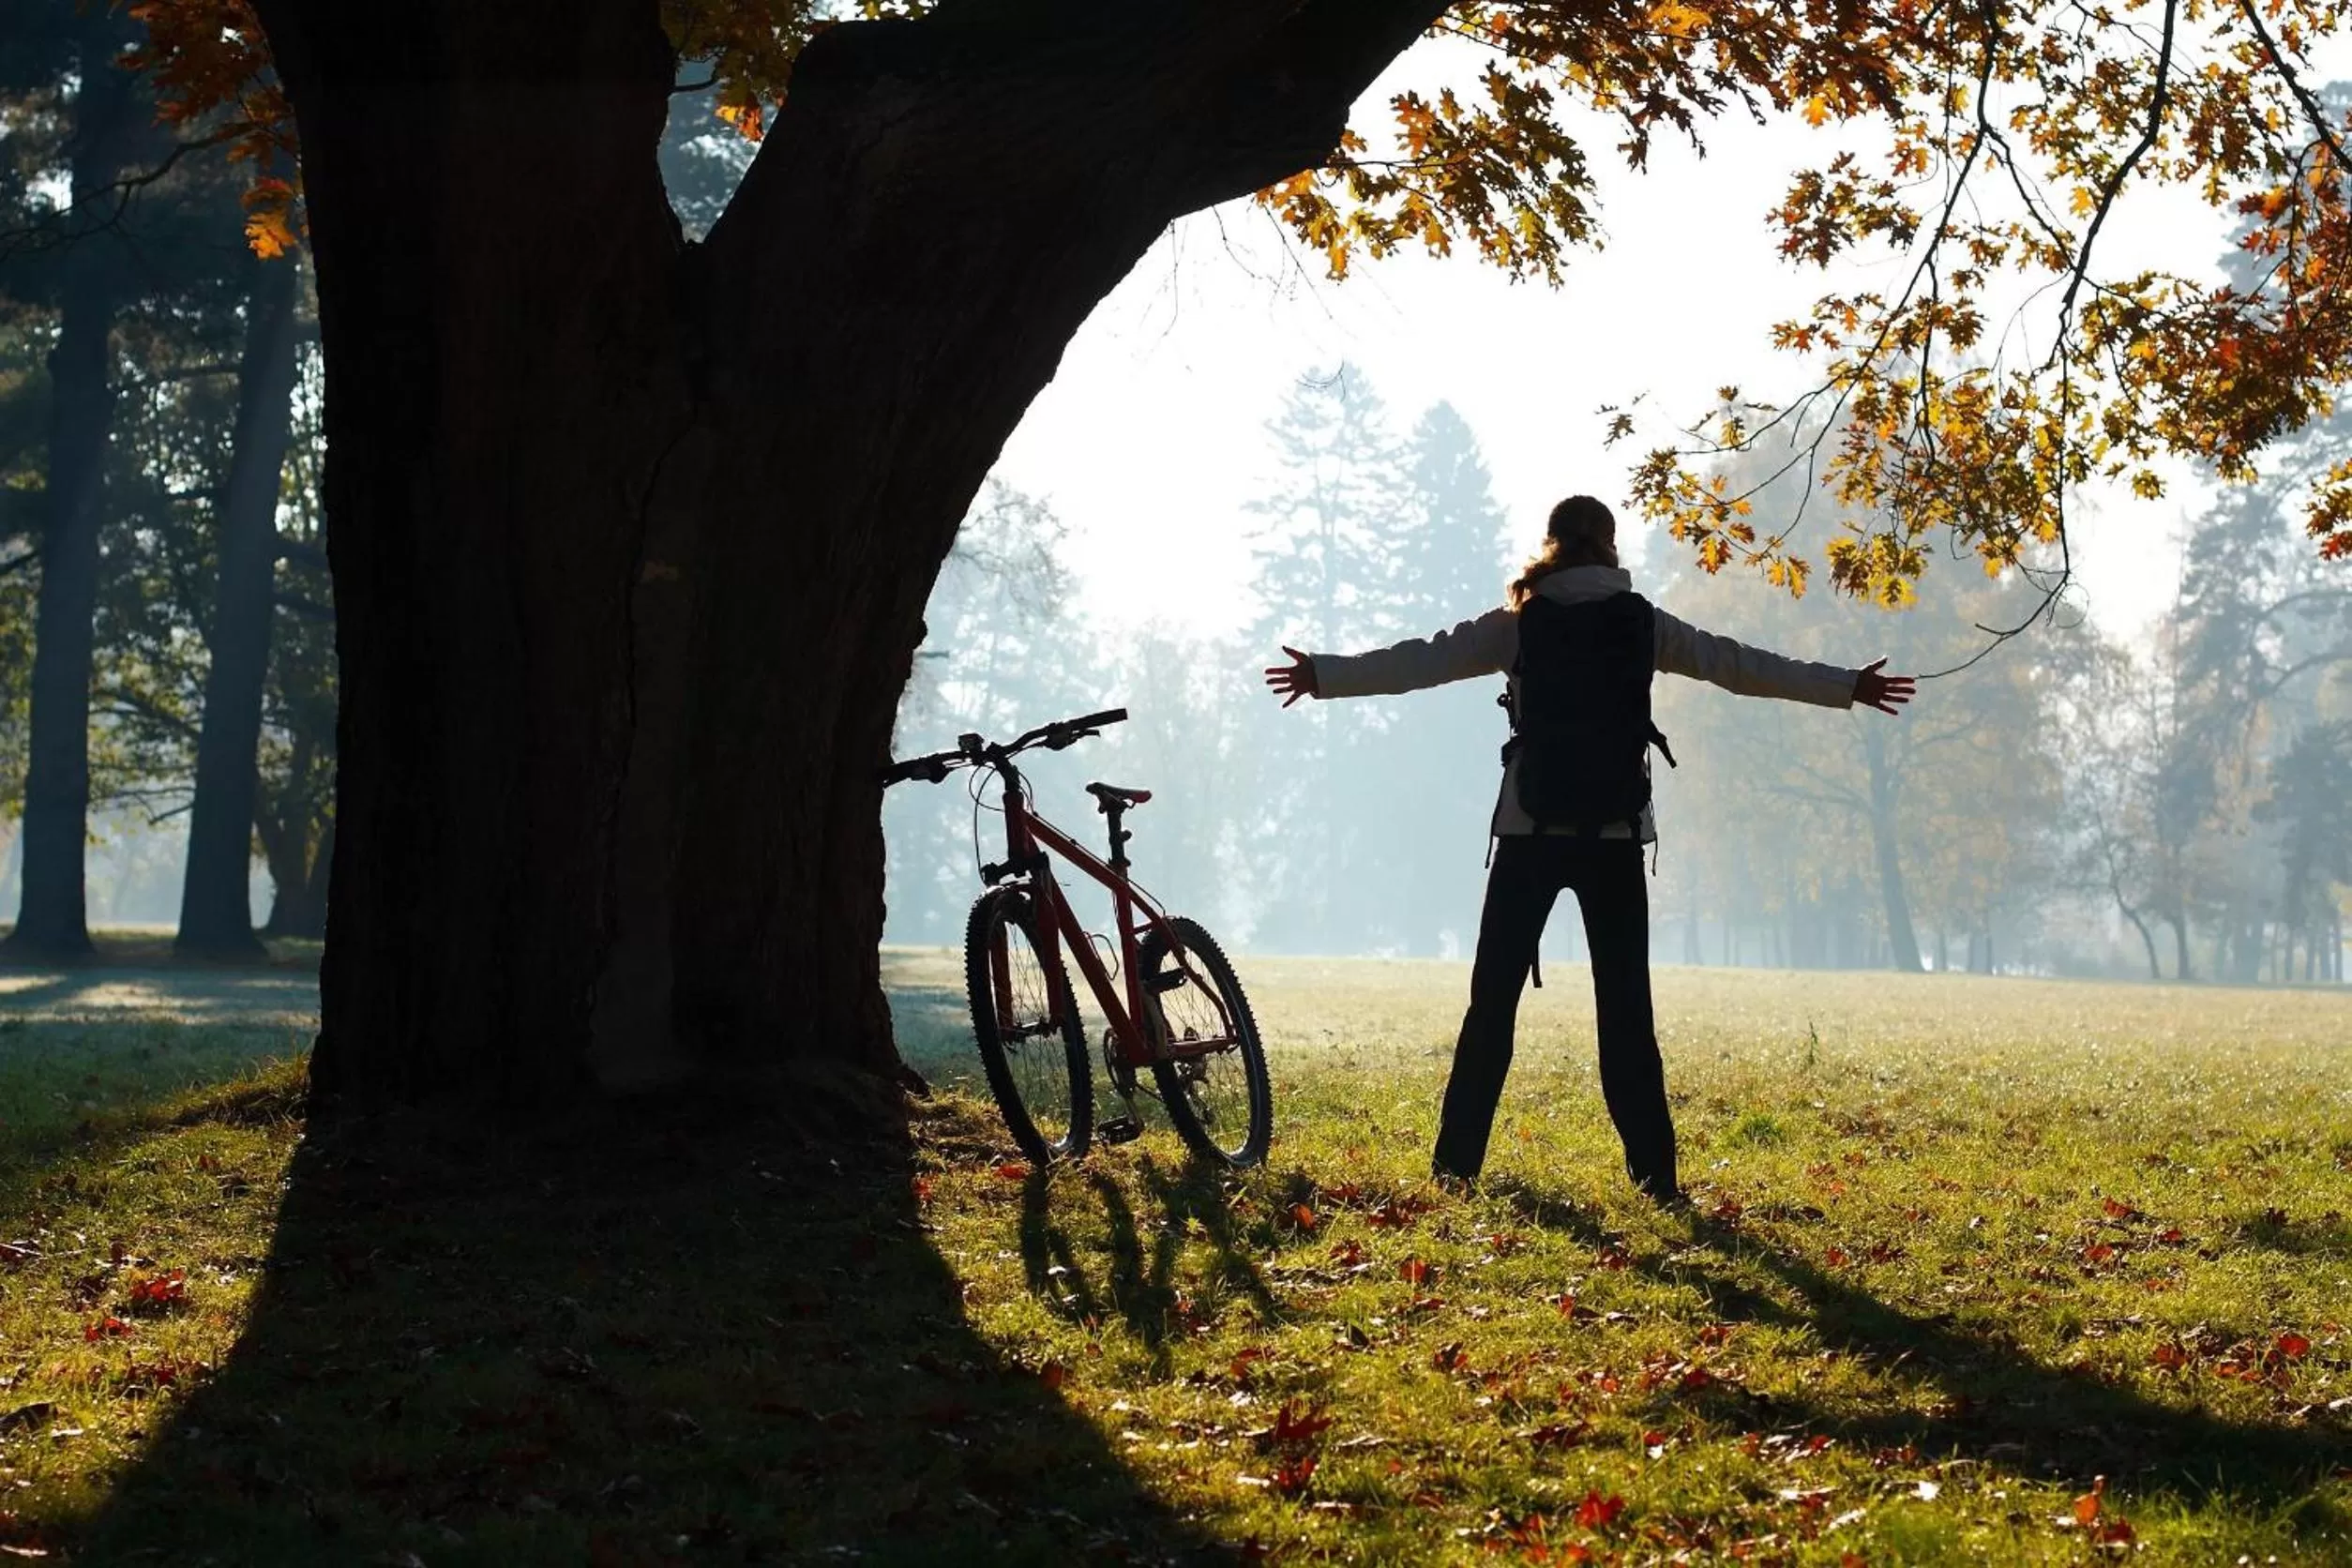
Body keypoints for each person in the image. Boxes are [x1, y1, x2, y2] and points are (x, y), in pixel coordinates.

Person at [1262, 495, 1915, 1205]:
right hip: (1615, 834)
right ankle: (1656, 1180)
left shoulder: (1518, 624)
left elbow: (1423, 660)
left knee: (1491, 1009)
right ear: (1609, 545)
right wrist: (1844, 686)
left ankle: (1455, 1172)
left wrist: (1325, 675)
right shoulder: (1645, 624)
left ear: (1550, 544)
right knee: (1627, 1012)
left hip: (1528, 832)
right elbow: (1740, 665)